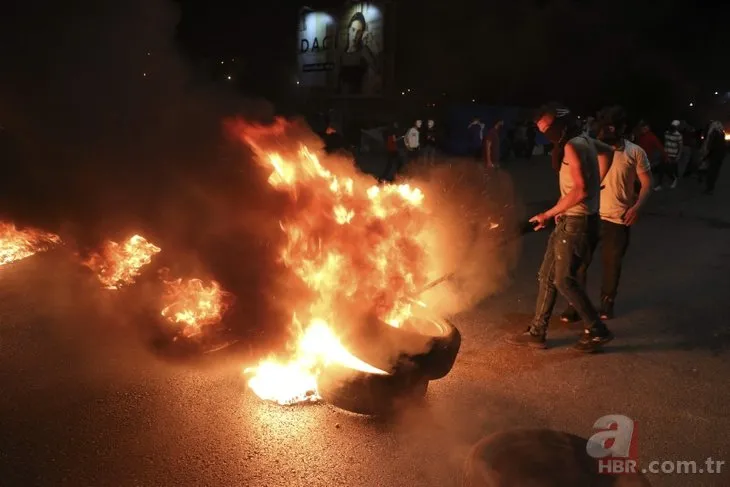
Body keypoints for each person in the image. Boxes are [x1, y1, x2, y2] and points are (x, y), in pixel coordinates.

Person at [508, 103, 614, 352]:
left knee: (564, 280)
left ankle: (597, 330)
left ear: (561, 124)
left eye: (548, 128)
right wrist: (597, 180)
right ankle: (537, 332)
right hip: (571, 218)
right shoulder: (585, 140)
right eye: (541, 130)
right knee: (547, 277)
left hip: (578, 222)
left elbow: (581, 190)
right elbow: (608, 151)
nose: (545, 133)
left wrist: (548, 213)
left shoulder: (572, 146)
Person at [559, 106, 653, 322]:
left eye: (611, 128)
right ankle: (575, 305)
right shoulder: (588, 148)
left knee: (612, 266)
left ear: (621, 129)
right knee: (578, 265)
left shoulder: (635, 152)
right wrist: (563, 208)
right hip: (589, 216)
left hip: (618, 219)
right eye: (602, 129)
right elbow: (573, 182)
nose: (605, 134)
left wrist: (636, 207)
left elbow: (647, 183)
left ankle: (606, 304)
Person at [336, 12, 380, 95]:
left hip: (358, 97)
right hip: (342, 98)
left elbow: (377, 68)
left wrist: (373, 45)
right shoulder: (341, 54)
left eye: (359, 32)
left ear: (362, 34)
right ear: (349, 30)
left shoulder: (363, 52)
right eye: (353, 30)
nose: (355, 35)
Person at [700, 121, 726, 195]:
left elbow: (710, 145)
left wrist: (706, 153)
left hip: (714, 155)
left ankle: (709, 187)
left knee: (711, 171)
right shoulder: (722, 133)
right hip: (720, 156)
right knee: (715, 171)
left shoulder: (713, 133)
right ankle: (711, 186)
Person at [656, 120, 682, 190]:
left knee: (669, 169)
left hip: (673, 155)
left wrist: (678, 155)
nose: (673, 128)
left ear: (677, 127)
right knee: (661, 168)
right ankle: (659, 185)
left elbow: (680, 146)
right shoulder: (666, 133)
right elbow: (665, 142)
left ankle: (674, 179)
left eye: (674, 127)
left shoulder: (678, 135)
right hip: (665, 154)